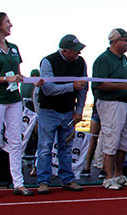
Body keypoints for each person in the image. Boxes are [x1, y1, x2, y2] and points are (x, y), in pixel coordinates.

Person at [0, 12, 33, 198]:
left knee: (15, 141)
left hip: (13, 99)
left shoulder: (13, 48)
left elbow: (17, 75)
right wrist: (4, 78)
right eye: (7, 22)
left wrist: (31, 81)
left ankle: (18, 183)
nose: (10, 25)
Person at [36, 34, 87, 194]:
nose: (78, 54)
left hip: (68, 112)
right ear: (65, 51)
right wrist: (72, 86)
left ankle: (68, 179)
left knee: (66, 147)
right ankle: (43, 181)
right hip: (48, 111)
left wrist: (79, 111)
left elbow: (83, 88)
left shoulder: (80, 63)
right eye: (75, 51)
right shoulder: (48, 62)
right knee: (45, 147)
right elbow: (48, 89)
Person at [92, 28, 127, 190]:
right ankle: (108, 177)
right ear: (115, 41)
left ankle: (118, 174)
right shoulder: (103, 59)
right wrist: (123, 86)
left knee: (124, 141)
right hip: (110, 103)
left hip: (124, 103)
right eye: (125, 40)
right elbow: (98, 84)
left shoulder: (123, 58)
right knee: (111, 139)